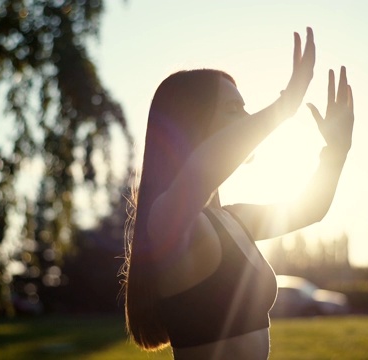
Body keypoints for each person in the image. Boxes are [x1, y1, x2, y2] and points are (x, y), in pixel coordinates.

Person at [122, 27, 354, 359]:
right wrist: (284, 106)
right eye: (233, 109)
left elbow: (311, 208)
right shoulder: (167, 219)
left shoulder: (232, 218)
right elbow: (201, 169)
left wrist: (337, 151)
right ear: (193, 125)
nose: (247, 119)